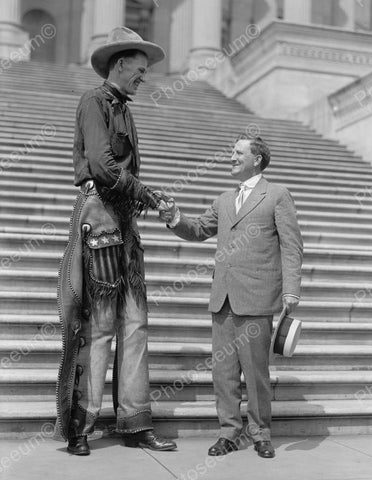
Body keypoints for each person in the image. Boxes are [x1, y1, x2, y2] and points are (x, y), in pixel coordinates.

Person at [56, 27, 177, 455]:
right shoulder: (94, 101)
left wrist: (144, 197)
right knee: (101, 325)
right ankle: (80, 428)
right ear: (120, 64)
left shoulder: (125, 109)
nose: (144, 77)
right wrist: (147, 194)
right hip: (101, 220)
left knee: (135, 324)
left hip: (124, 223)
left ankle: (135, 422)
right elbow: (104, 167)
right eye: (140, 70)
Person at [160, 135, 303, 458]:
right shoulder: (224, 199)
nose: (231, 157)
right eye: (232, 152)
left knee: (255, 373)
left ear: (257, 159)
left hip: (257, 296)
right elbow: (197, 230)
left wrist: (291, 288)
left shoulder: (277, 195)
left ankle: (260, 432)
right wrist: (174, 216)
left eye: (238, 153)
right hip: (223, 297)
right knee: (223, 372)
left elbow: (291, 245)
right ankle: (228, 432)